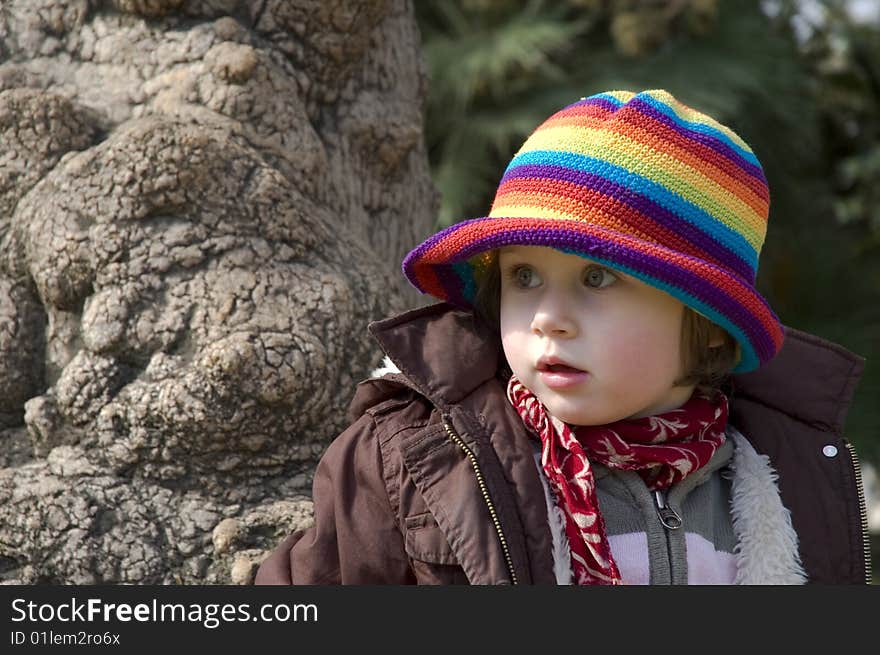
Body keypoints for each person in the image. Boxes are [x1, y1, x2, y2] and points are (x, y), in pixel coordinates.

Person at [255, 89, 870, 585]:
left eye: (597, 277)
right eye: (524, 275)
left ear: (709, 328)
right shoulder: (416, 459)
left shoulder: (787, 485)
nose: (548, 317)